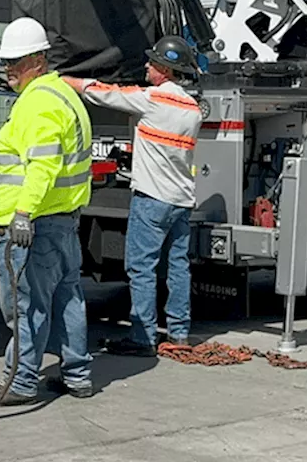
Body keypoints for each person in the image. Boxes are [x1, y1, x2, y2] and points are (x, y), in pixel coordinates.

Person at [0, 16, 95, 406]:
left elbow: (42, 165)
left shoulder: (37, 103)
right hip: (62, 220)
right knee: (68, 296)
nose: (9, 69)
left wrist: (23, 212)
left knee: (26, 306)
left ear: (39, 61)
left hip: (30, 226)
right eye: (7, 62)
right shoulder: (63, 95)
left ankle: (20, 380)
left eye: (17, 61)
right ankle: (77, 373)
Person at [61, 35, 203, 358]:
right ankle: (179, 333)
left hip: (151, 198)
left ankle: (142, 337)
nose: (147, 66)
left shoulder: (152, 99)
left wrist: (63, 80)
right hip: (181, 200)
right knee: (178, 267)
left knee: (141, 269)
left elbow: (105, 93)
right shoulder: (193, 109)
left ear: (165, 70)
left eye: (153, 63)